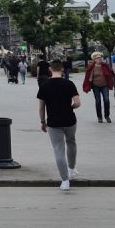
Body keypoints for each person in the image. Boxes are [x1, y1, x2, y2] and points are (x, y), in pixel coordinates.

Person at [35, 62, 80, 191]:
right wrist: (70, 107)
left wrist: (42, 122)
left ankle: (65, 181)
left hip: (53, 122)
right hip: (69, 120)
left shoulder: (44, 85)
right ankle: (72, 169)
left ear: (50, 69)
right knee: (71, 142)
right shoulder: (69, 84)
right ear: (62, 69)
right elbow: (77, 103)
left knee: (58, 149)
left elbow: (41, 107)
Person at [81, 53, 115, 122]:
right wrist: (88, 84)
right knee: (98, 101)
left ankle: (107, 116)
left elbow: (111, 73)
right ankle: (99, 117)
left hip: (105, 85)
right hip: (95, 86)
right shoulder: (91, 67)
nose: (100, 58)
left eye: (100, 57)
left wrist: (114, 76)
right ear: (95, 59)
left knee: (106, 100)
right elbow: (87, 76)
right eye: (98, 58)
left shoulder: (105, 65)